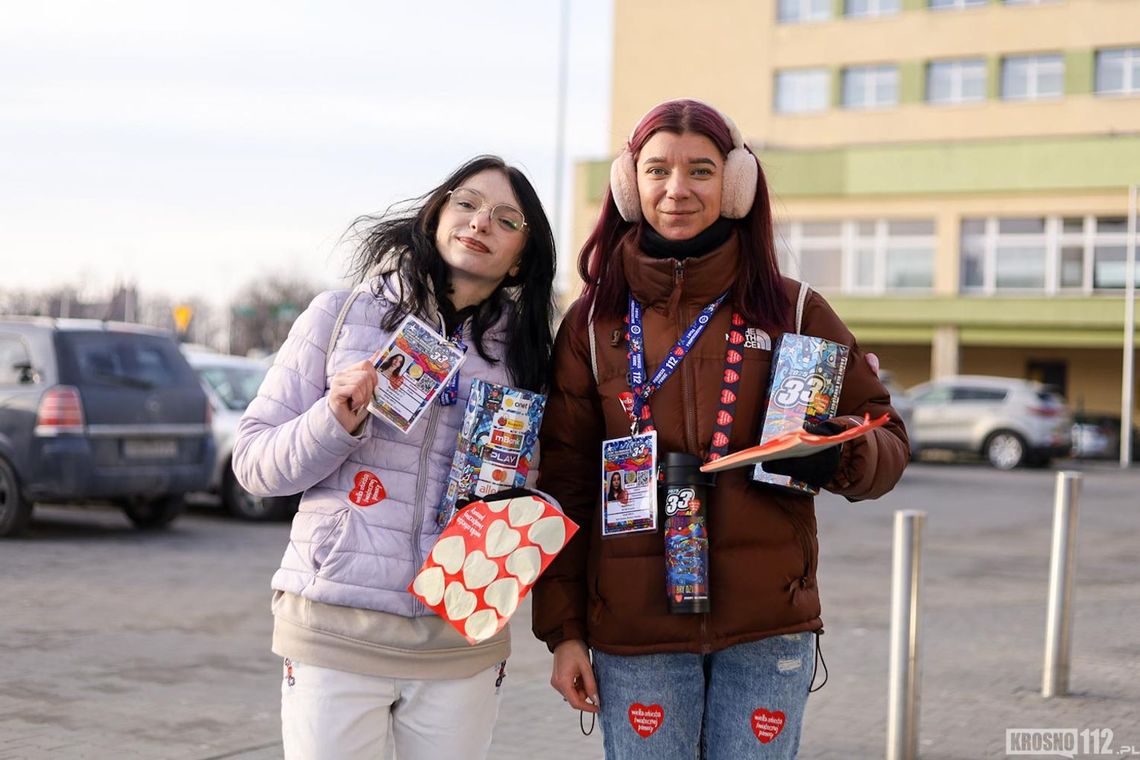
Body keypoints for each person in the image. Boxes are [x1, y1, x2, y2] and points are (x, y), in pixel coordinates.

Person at [530, 99, 909, 759]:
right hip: (636, 631)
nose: (677, 189)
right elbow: (566, 487)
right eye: (657, 170)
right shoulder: (591, 324)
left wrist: (838, 454)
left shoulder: (793, 309)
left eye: (700, 171)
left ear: (735, 185)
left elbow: (888, 437)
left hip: (767, 626)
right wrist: (564, 633)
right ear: (629, 184)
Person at [232, 155, 556, 760]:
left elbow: (539, 483)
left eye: (506, 218)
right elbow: (254, 465)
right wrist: (335, 419)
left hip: (460, 637)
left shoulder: (530, 355)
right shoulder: (339, 317)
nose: (480, 222)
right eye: (466, 203)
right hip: (336, 628)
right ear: (436, 215)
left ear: (521, 256)